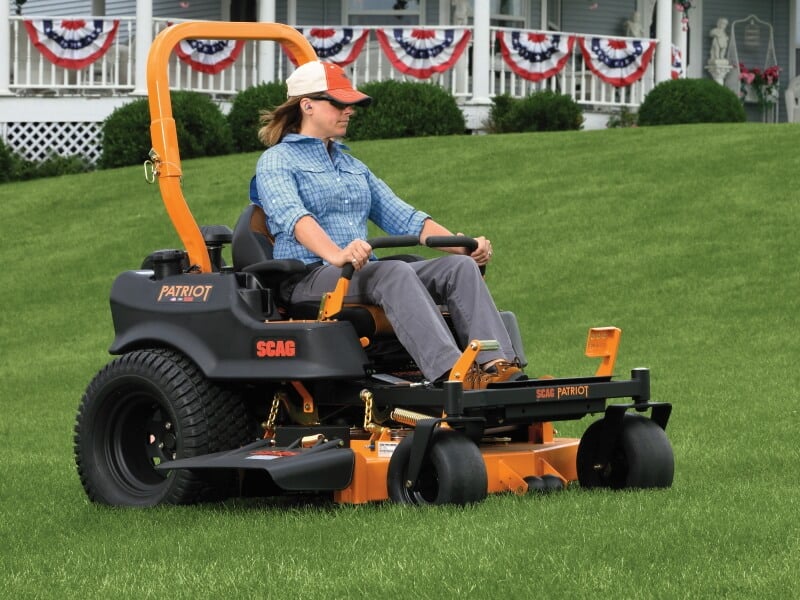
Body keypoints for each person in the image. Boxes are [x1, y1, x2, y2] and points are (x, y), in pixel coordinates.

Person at [252, 60, 526, 389]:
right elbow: (293, 217)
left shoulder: (352, 166)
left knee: (458, 269)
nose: (348, 111)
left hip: (359, 272)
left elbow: (404, 216)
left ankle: (497, 366)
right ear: (307, 105)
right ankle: (453, 375)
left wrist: (462, 245)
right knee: (394, 272)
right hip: (310, 275)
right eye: (338, 103)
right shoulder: (277, 160)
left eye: (350, 104)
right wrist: (337, 254)